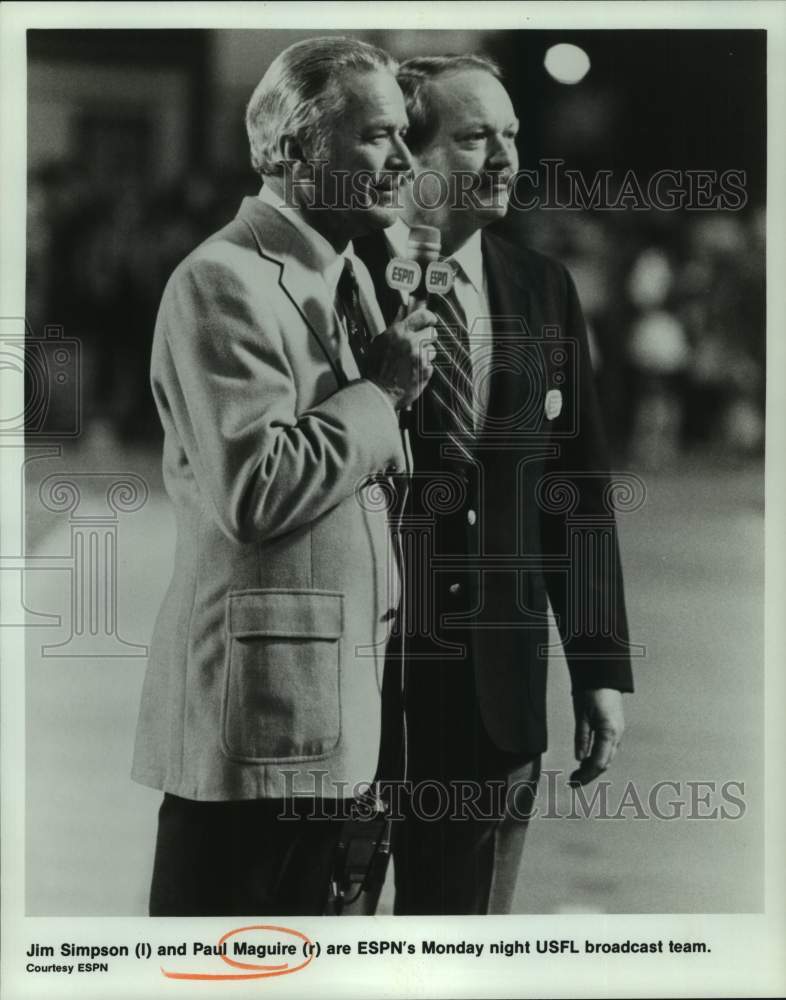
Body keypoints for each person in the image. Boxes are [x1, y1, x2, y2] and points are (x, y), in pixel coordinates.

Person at [131, 36, 437, 916]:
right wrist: (381, 394)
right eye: (380, 135)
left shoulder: (346, 275)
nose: (406, 160)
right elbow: (256, 490)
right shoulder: (222, 281)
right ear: (295, 150)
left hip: (326, 713)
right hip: (255, 733)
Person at [354, 54, 634, 915]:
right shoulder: (343, 275)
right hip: (363, 688)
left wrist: (598, 668)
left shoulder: (542, 289)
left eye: (511, 135)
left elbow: (575, 492)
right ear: (410, 152)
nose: (507, 158)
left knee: (460, 951)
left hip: (494, 696)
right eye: (478, 138)